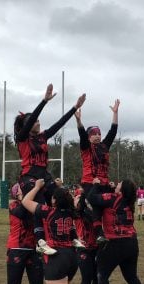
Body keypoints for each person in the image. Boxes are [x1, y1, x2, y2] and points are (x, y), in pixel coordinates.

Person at [15, 84, 86, 255]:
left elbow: (59, 123)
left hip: (44, 174)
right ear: (26, 125)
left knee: (64, 198)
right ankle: (40, 241)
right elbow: (31, 120)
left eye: (39, 120)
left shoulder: (42, 136)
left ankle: (72, 234)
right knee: (39, 204)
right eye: (34, 121)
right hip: (29, 176)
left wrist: (74, 108)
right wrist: (44, 101)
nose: (38, 123)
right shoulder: (22, 138)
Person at [21, 179, 80, 284]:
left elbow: (25, 201)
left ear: (54, 200)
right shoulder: (70, 212)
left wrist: (37, 187)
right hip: (71, 255)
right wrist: (60, 188)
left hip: (56, 255)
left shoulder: (47, 211)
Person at [87, 177, 144, 284]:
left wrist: (95, 185)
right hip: (131, 242)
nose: (117, 184)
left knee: (102, 274)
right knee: (131, 276)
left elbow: (91, 198)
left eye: (119, 184)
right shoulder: (129, 201)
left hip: (114, 242)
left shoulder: (112, 198)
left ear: (122, 189)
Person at [0, 183, 45, 284]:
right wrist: (27, 197)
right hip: (17, 249)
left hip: (34, 249)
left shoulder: (35, 205)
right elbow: (22, 213)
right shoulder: (14, 206)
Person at [74, 99, 120, 243]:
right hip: (90, 182)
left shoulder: (104, 146)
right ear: (89, 136)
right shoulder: (86, 148)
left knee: (108, 207)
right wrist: (79, 121)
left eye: (99, 133)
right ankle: (97, 232)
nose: (97, 136)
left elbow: (112, 132)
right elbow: (81, 135)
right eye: (94, 133)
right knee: (92, 206)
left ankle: (109, 232)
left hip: (104, 182)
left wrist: (115, 113)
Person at [73, 187, 99, 284]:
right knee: (87, 277)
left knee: (97, 277)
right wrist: (82, 196)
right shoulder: (78, 212)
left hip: (96, 246)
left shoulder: (93, 211)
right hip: (83, 247)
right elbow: (79, 208)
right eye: (76, 198)